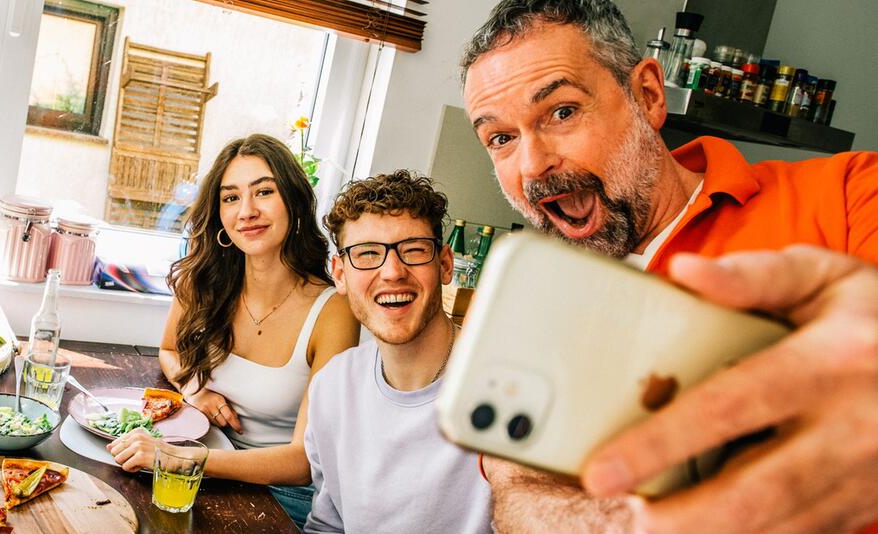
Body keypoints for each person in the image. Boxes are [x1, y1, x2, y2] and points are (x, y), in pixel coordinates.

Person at [459, 0, 878, 532]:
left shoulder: (850, 194)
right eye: (501, 138)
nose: (532, 163)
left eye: (561, 111)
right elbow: (518, 491)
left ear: (648, 96)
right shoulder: (515, 309)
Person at [107, 134, 360, 529]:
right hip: (201, 460)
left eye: (264, 192)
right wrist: (196, 390)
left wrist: (182, 457)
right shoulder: (203, 279)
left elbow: (301, 462)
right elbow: (169, 351)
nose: (247, 211)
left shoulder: (334, 310)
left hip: (282, 494)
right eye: (230, 197)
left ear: (293, 201)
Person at [302, 170, 492, 533]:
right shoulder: (332, 387)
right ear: (339, 274)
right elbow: (328, 524)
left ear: (445, 264)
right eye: (367, 253)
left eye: (414, 250)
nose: (392, 271)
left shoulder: (505, 385)